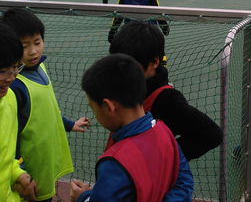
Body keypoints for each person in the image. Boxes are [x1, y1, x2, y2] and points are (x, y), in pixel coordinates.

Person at [71, 54, 193, 202]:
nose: (95, 114)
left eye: (93, 108)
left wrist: (83, 198)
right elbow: (184, 181)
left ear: (109, 107)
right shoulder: (164, 131)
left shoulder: (114, 164)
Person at [2, 9, 90, 202]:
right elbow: (10, 136)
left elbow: (48, 109)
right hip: (31, 171)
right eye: (24, 46)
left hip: (47, 160)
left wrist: (69, 124)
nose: (33, 51)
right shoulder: (14, 87)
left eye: (37, 42)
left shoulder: (40, 66)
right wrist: (20, 172)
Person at [109, 22, 223, 160]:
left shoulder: (167, 100)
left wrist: (160, 158)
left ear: (154, 62)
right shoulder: (128, 86)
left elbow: (212, 135)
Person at [0, 23, 37, 202]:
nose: (10, 78)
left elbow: (6, 156)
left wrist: (17, 174)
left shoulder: (10, 99)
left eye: (16, 67)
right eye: (2, 71)